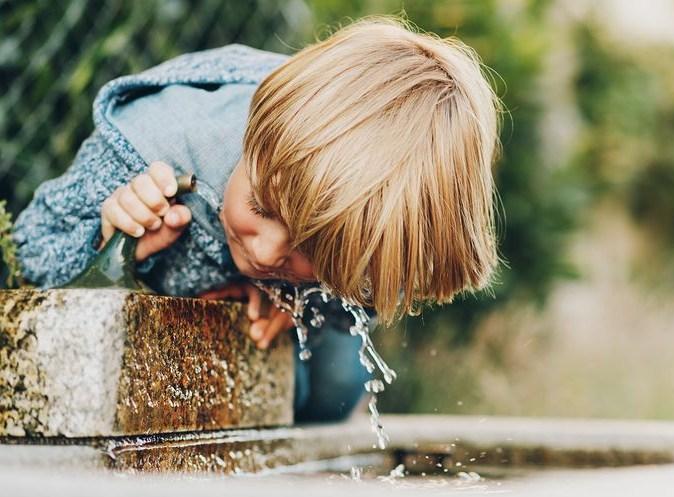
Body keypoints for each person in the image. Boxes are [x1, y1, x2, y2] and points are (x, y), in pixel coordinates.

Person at [12, 16, 502, 423]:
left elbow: (370, 295)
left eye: (312, 249)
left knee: (338, 385)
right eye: (262, 208)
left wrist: (297, 307)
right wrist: (113, 243)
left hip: (287, 340)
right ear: (252, 142)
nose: (267, 252)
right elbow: (29, 267)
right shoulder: (147, 148)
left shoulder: (375, 204)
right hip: (148, 311)